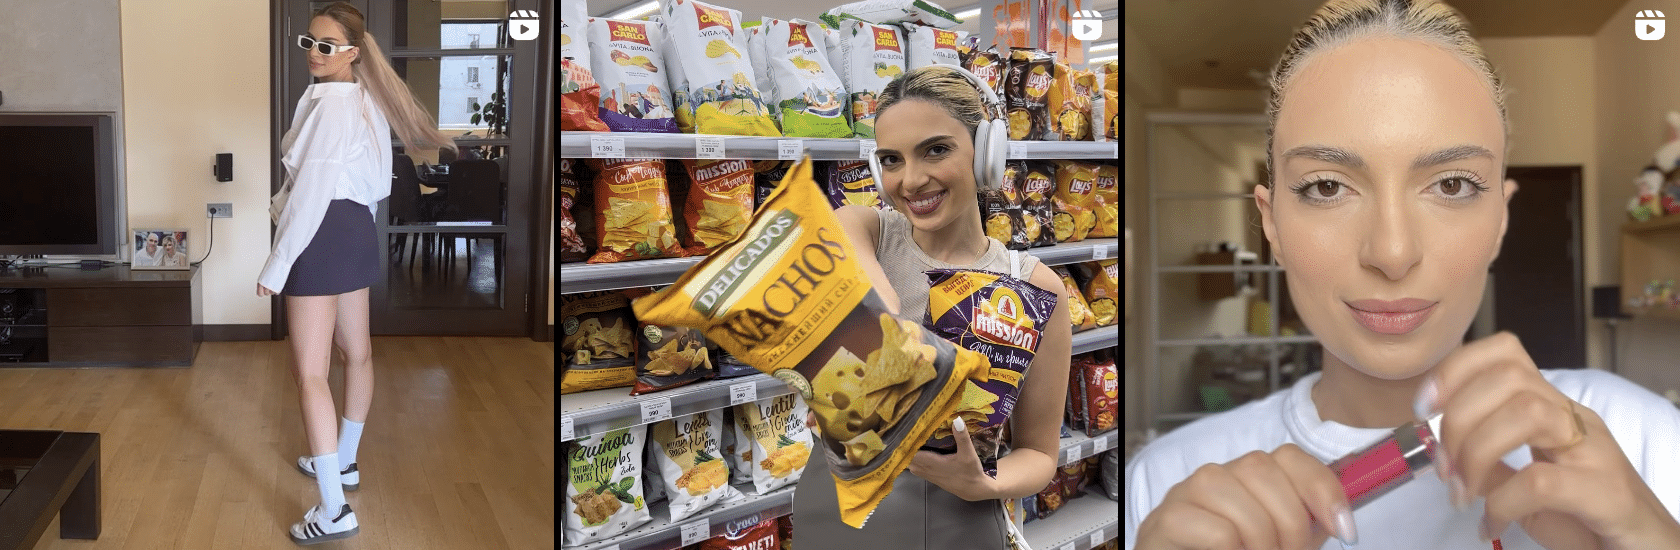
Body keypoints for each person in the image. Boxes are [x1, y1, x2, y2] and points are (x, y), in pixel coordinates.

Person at [1125, 1, 1680, 549]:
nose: (1392, 252)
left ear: (1500, 221)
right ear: (1272, 224)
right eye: (1327, 186)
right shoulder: (1165, 484)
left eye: (1453, 185)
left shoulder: (1639, 438)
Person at [789, 64, 1074, 549]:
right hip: (834, 509)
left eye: (936, 150)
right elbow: (842, 250)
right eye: (892, 160)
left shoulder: (1033, 287)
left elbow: (1039, 454)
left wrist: (988, 483)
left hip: (956, 518)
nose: (912, 180)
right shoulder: (867, 231)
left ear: (987, 153)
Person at [257, 1, 457, 543]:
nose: (314, 55)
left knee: (312, 374)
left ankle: (333, 508)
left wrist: (276, 266)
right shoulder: (366, 99)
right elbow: (378, 185)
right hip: (354, 229)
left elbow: (311, 194)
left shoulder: (334, 107)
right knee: (358, 353)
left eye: (326, 46)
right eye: (309, 44)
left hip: (319, 232)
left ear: (350, 52)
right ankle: (344, 462)